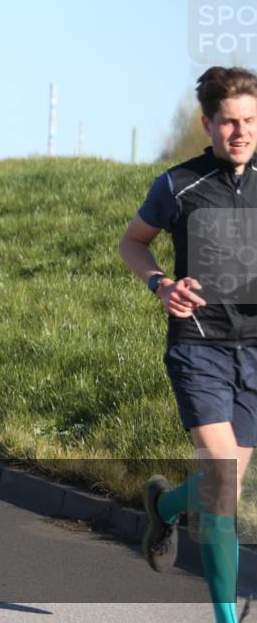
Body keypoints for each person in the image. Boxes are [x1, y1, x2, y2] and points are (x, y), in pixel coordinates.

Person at [119, 66, 257, 623]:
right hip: (199, 348)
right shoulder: (179, 185)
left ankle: (165, 505)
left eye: (250, 120)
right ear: (208, 123)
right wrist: (160, 283)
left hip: (255, 353)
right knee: (225, 481)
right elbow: (133, 243)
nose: (241, 132)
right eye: (229, 122)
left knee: (226, 485)